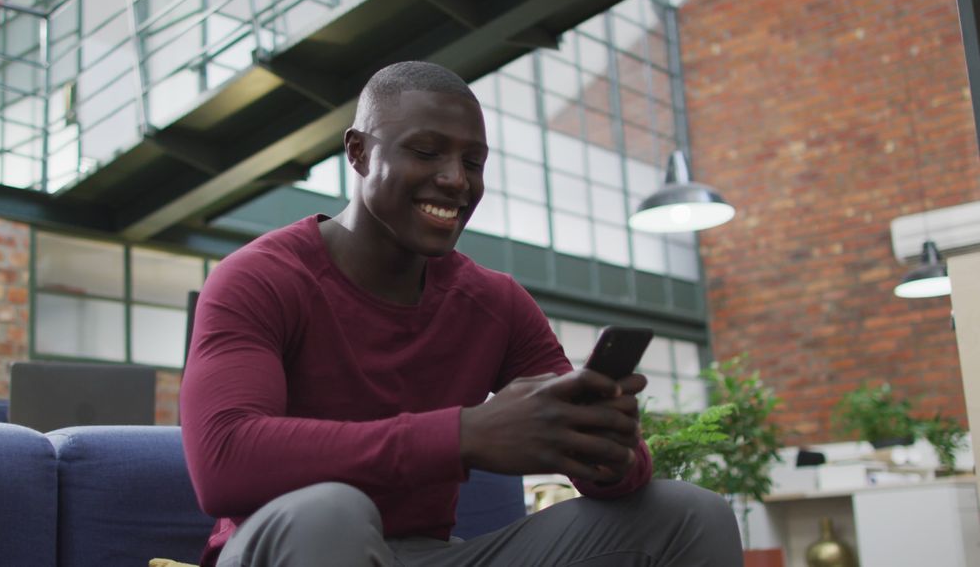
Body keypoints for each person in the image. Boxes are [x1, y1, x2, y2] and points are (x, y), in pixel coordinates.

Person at [180, 61, 742, 567]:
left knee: (690, 513)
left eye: (473, 161)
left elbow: (609, 469)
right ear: (357, 152)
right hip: (285, 545)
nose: (456, 179)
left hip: (428, 556)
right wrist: (463, 434)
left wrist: (609, 450)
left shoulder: (493, 302)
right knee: (333, 512)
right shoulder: (259, 277)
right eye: (426, 152)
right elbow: (224, 464)